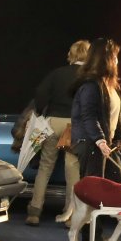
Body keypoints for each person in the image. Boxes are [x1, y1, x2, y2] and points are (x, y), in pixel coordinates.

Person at [24, 39, 88, 225]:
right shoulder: (89, 77)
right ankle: (70, 216)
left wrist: (42, 111)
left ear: (71, 54)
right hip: (75, 125)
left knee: (45, 167)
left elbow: (40, 93)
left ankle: (34, 211)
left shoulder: (57, 73)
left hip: (53, 121)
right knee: (72, 169)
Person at [71, 38, 121, 182]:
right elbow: (89, 116)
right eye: (115, 56)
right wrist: (100, 140)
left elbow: (115, 116)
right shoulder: (91, 85)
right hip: (92, 144)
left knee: (116, 184)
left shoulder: (109, 85)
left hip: (106, 144)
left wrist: (119, 139)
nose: (117, 61)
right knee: (95, 187)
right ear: (106, 59)